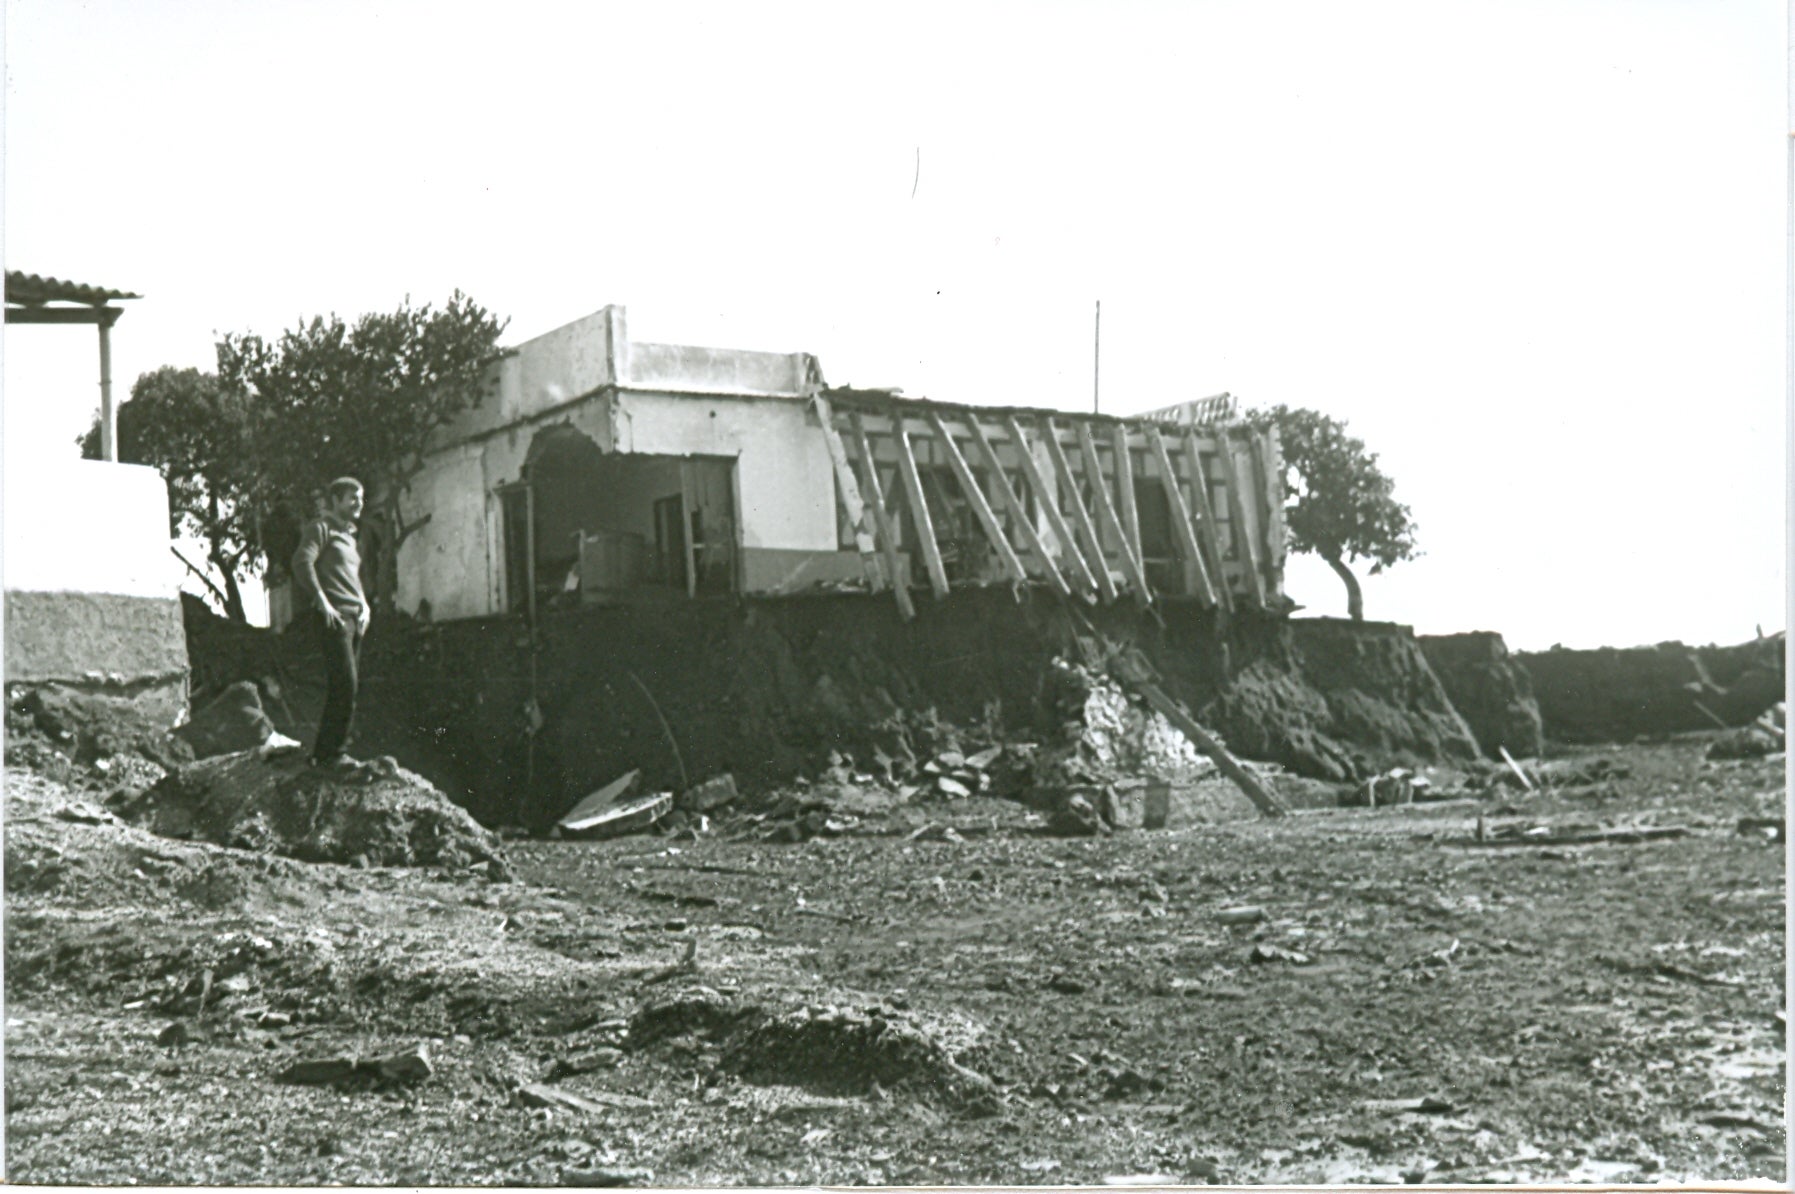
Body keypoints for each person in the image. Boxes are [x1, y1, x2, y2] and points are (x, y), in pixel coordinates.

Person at [292, 477, 371, 769]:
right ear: (336, 500)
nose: (359, 503)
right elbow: (302, 562)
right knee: (345, 685)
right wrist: (321, 601)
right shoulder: (320, 528)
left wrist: (364, 604)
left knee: (348, 686)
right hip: (333, 617)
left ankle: (328, 752)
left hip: (355, 618)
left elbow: (351, 577)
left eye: (361, 497)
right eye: (352, 497)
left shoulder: (349, 536)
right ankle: (331, 754)